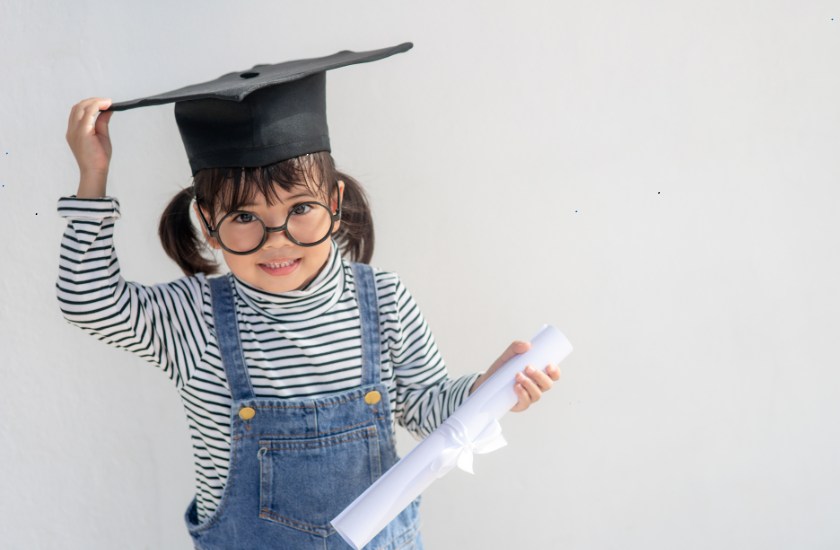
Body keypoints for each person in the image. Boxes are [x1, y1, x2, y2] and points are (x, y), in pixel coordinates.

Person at [57, 43, 561, 550]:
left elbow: (426, 408)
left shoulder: (384, 300)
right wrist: (92, 176)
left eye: (301, 208)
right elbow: (88, 300)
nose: (277, 238)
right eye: (244, 217)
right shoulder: (193, 318)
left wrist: (486, 395)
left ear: (335, 204)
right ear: (209, 226)